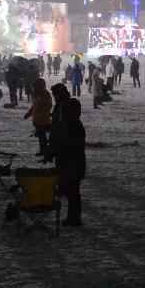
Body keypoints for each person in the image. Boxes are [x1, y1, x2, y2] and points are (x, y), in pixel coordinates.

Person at [57, 97, 86, 227]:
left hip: (72, 165)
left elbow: (70, 147)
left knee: (73, 193)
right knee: (72, 193)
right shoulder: (72, 125)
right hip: (72, 165)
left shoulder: (73, 127)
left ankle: (74, 219)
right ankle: (73, 217)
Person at [23, 78, 52, 156]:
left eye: (35, 87)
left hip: (43, 120)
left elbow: (48, 106)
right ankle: (43, 150)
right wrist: (28, 114)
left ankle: (44, 151)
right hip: (37, 120)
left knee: (42, 137)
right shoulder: (37, 94)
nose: (34, 89)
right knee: (40, 136)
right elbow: (34, 106)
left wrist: (41, 112)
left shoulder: (46, 95)